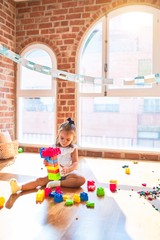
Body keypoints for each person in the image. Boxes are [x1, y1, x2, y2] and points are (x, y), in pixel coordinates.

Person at [10, 118, 86, 194]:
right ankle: (19, 187)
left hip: (68, 174)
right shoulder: (54, 147)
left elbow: (75, 162)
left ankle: (57, 183)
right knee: (39, 180)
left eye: (68, 139)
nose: (64, 141)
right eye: (62, 138)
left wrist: (69, 169)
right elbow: (49, 160)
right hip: (55, 174)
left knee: (81, 179)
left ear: (73, 138)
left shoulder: (72, 149)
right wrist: (47, 162)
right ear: (58, 135)